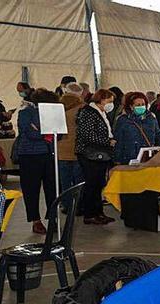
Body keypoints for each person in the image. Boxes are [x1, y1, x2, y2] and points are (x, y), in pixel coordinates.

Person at [16, 89, 59, 234]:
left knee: (52, 188)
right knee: (31, 189)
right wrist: (46, 134)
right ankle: (36, 220)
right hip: (29, 155)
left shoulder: (52, 113)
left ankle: (52, 217)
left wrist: (43, 131)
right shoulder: (25, 112)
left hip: (49, 154)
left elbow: (58, 133)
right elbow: (29, 133)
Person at [75, 88, 117, 225]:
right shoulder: (88, 113)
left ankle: (98, 213)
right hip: (90, 154)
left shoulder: (101, 113)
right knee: (92, 185)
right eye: (109, 101)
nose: (111, 104)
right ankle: (90, 214)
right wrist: (108, 141)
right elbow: (88, 135)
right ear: (101, 100)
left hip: (100, 154)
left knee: (99, 184)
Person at [57, 83, 86, 214]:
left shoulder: (59, 108)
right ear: (80, 94)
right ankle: (78, 206)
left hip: (62, 150)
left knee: (65, 181)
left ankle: (66, 205)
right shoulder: (82, 109)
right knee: (79, 180)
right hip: (78, 150)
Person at [113, 91, 160, 164]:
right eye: (138, 105)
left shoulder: (151, 118)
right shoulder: (123, 120)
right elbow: (119, 141)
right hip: (129, 158)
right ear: (131, 106)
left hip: (148, 157)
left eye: (143, 104)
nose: (141, 106)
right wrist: (117, 160)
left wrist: (159, 149)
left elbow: (158, 135)